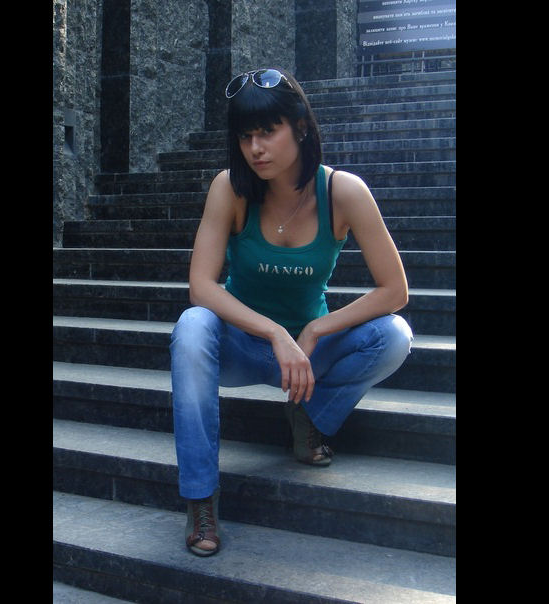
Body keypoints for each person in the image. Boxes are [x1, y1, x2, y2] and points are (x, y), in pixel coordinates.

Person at [170, 68, 413, 556]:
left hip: (307, 355)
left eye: (268, 131)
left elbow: (395, 290)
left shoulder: (342, 191)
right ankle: (200, 499)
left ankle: (310, 416)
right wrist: (274, 333)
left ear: (300, 126)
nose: (255, 148)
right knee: (192, 325)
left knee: (394, 336)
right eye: (246, 136)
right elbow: (201, 286)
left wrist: (315, 329)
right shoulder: (231, 188)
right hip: (243, 347)